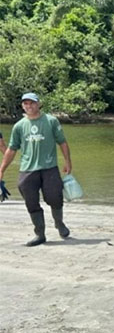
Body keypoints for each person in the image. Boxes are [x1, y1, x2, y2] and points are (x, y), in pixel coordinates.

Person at [0, 93, 73, 246]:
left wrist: (67, 161)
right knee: (31, 202)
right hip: (28, 169)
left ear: (39, 104)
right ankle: (40, 234)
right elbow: (11, 149)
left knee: (55, 198)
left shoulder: (51, 121)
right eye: (25, 103)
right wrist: (2, 170)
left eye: (32, 103)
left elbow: (62, 142)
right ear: (22, 106)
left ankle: (59, 224)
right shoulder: (19, 126)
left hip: (49, 168)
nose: (29, 106)